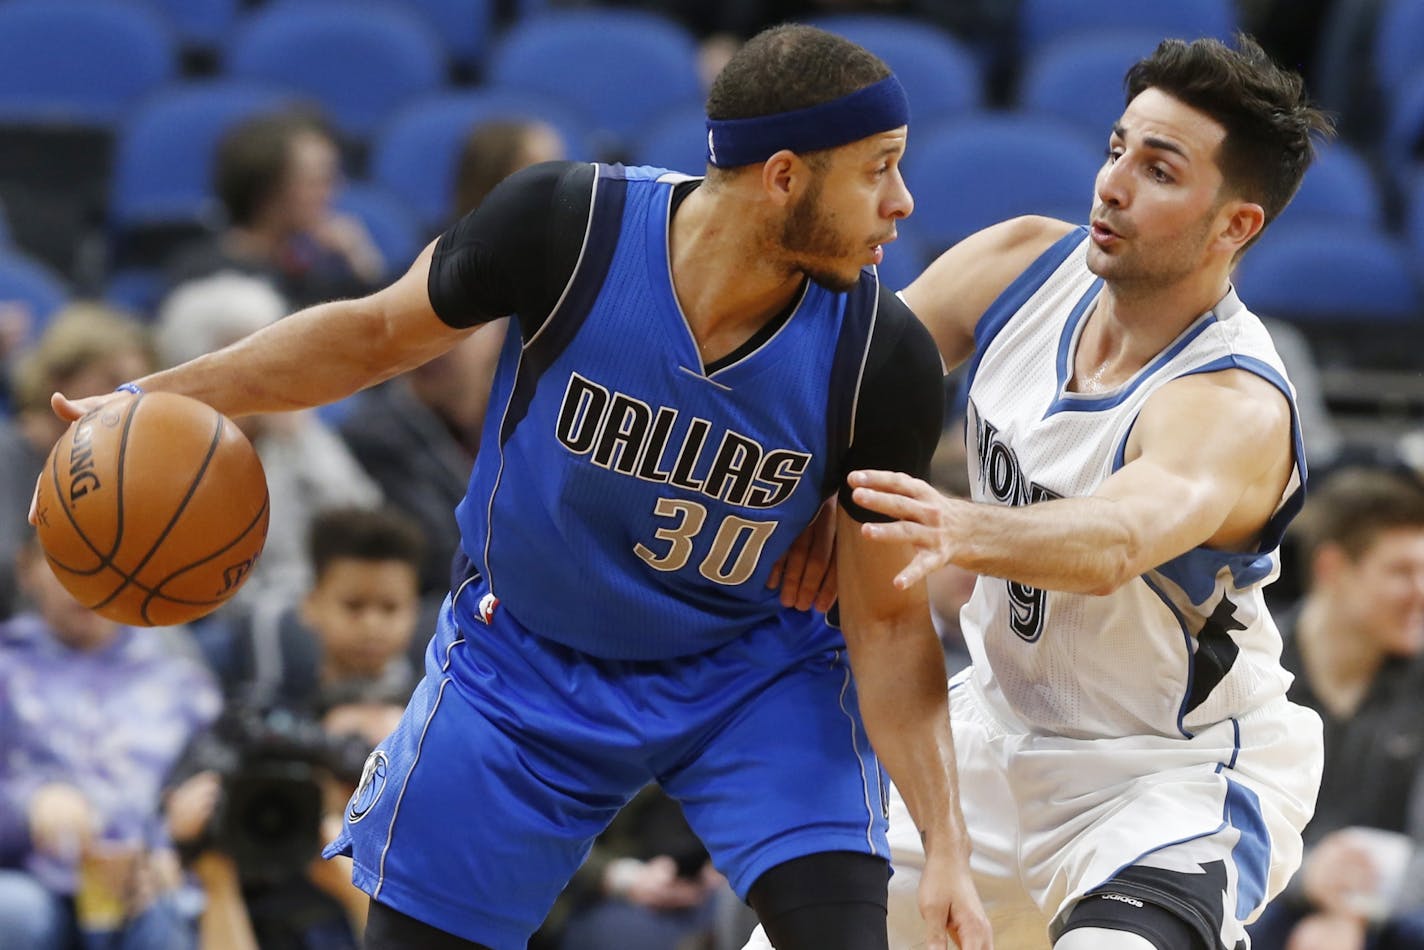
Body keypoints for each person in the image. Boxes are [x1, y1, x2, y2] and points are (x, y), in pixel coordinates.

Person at [37, 24, 991, 950]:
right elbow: (372, 337)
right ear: (784, 176)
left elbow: (886, 625)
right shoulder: (567, 228)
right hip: (525, 659)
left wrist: (946, 845)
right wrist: (147, 396)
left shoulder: (881, 359)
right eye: (880, 168)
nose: (903, 202)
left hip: (749, 671)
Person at [745, 33, 1333, 950]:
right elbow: (843, 376)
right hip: (990, 737)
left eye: (1160, 171)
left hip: (1158, 780)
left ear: (1236, 225)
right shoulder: (1018, 264)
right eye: (1117, 150)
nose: (1113, 184)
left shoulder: (1232, 405)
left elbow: (1111, 544)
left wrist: (944, 526)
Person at [0, 534, 220, 950]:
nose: (89, 582)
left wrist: (176, 850)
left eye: (108, 564)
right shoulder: (6, 667)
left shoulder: (183, 684)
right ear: (26, 568)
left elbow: (210, 788)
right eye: (67, 564)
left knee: (166, 913)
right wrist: (26, 807)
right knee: (13, 912)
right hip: (28, 879)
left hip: (147, 884)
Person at [1248, 467, 1424, 950]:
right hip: (1263, 896)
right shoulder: (1247, 669)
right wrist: (1307, 880)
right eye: (1401, 572)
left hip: (1391, 910)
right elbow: (1205, 818)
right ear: (1332, 569)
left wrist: (1356, 912)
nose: (1422, 592)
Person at [162, 107, 385, 311]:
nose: (334, 190)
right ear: (268, 191)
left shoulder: (311, 275)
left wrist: (361, 260)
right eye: (318, 181)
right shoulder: (200, 275)